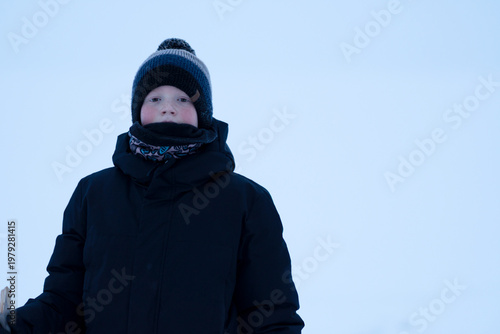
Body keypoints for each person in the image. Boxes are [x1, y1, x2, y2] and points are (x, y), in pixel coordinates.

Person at [1, 38, 304, 333]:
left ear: (203, 114)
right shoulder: (93, 194)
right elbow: (64, 304)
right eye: (155, 98)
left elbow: (271, 316)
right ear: (138, 110)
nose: (168, 108)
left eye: (183, 99)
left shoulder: (245, 201)